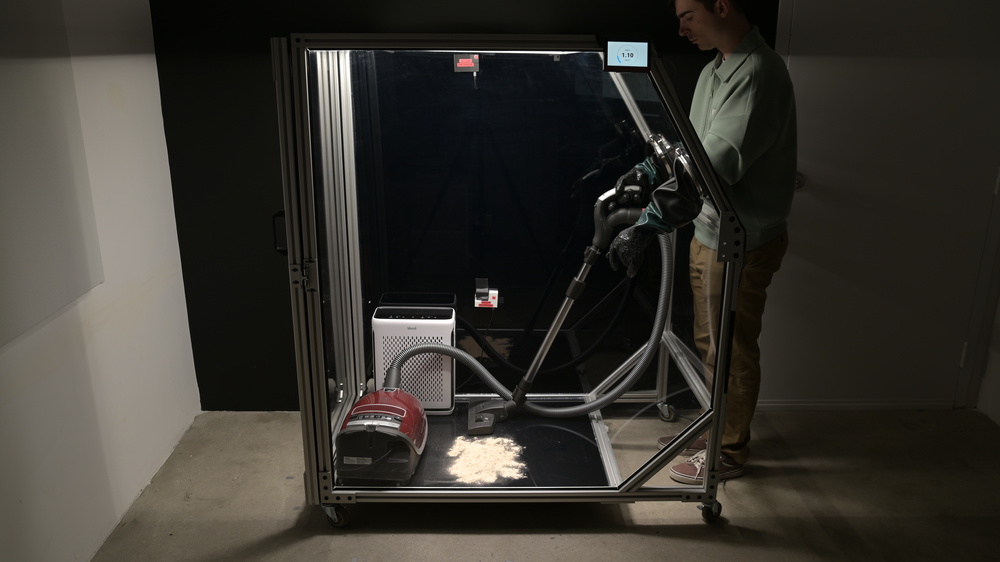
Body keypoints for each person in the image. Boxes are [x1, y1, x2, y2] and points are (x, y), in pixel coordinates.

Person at [607, 0, 797, 485]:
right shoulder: (716, 70)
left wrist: (647, 225)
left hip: (740, 241)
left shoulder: (757, 74)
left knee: (729, 349)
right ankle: (716, 427)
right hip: (710, 230)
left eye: (688, 15)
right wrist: (648, 169)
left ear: (722, 6)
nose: (681, 28)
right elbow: (692, 147)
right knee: (710, 343)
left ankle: (726, 451)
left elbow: (711, 170)